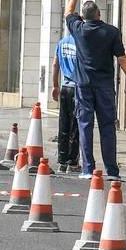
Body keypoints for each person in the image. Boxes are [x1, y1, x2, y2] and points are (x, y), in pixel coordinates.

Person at [65, 0, 126, 180]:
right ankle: (112, 171)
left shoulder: (78, 29)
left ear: (84, 16)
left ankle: (88, 169)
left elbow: (68, 11)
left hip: (84, 85)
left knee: (85, 125)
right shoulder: (112, 32)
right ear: (98, 14)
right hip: (105, 86)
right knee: (107, 127)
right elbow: (122, 57)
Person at [50, 34, 80, 174]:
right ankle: (72, 162)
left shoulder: (62, 42)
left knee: (64, 125)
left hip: (64, 87)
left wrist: (55, 85)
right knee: (76, 126)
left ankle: (62, 161)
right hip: (77, 88)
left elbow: (55, 64)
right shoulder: (81, 42)